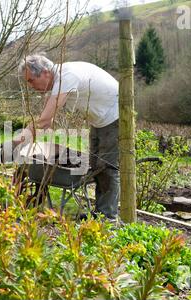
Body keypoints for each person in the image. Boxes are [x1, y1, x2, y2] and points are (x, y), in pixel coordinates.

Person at [12, 53, 120, 220]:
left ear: (45, 73)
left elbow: (44, 120)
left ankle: (108, 218)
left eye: (31, 80)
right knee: (97, 166)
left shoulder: (67, 77)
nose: (31, 86)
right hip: (100, 119)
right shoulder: (60, 79)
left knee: (107, 167)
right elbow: (47, 122)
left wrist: (10, 147)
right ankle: (101, 213)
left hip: (115, 116)